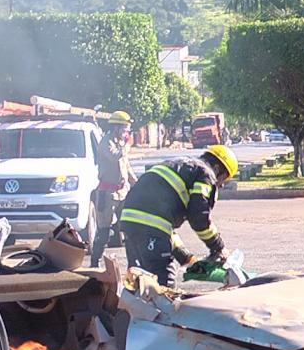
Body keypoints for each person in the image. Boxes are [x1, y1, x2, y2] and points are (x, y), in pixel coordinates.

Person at [119, 144, 239, 287]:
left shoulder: (182, 166)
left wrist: (185, 257)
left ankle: (132, 301)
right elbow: (199, 218)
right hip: (150, 225)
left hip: (129, 221)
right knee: (163, 281)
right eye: (224, 178)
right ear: (217, 169)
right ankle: (161, 302)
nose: (221, 185)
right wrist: (218, 247)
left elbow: (163, 227)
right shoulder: (205, 174)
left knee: (138, 278)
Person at [90, 110, 137, 268]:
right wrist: (127, 146)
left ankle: (133, 265)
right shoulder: (106, 142)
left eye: (127, 129)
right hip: (107, 194)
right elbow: (114, 156)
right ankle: (94, 262)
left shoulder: (121, 143)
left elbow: (126, 166)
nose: (126, 132)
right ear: (116, 128)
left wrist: (136, 183)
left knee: (129, 229)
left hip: (122, 192)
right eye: (124, 129)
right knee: (104, 231)